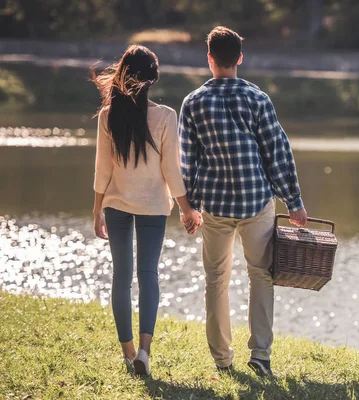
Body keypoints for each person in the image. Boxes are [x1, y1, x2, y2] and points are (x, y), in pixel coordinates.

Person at [178, 26, 308, 377]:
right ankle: (260, 355)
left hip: (215, 207)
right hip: (256, 203)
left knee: (216, 280)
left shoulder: (192, 103)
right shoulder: (257, 98)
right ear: (239, 58)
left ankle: (222, 359)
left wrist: (186, 207)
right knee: (261, 276)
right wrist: (294, 201)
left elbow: (185, 161)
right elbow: (277, 152)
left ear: (209, 59)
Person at [92, 45, 202, 376]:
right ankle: (144, 352)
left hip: (116, 205)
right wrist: (187, 210)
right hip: (154, 207)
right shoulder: (166, 116)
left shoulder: (109, 115)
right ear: (153, 79)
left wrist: (97, 210)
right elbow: (172, 170)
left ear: (124, 74)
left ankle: (128, 356)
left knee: (121, 278)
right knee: (148, 275)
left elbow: (102, 170)